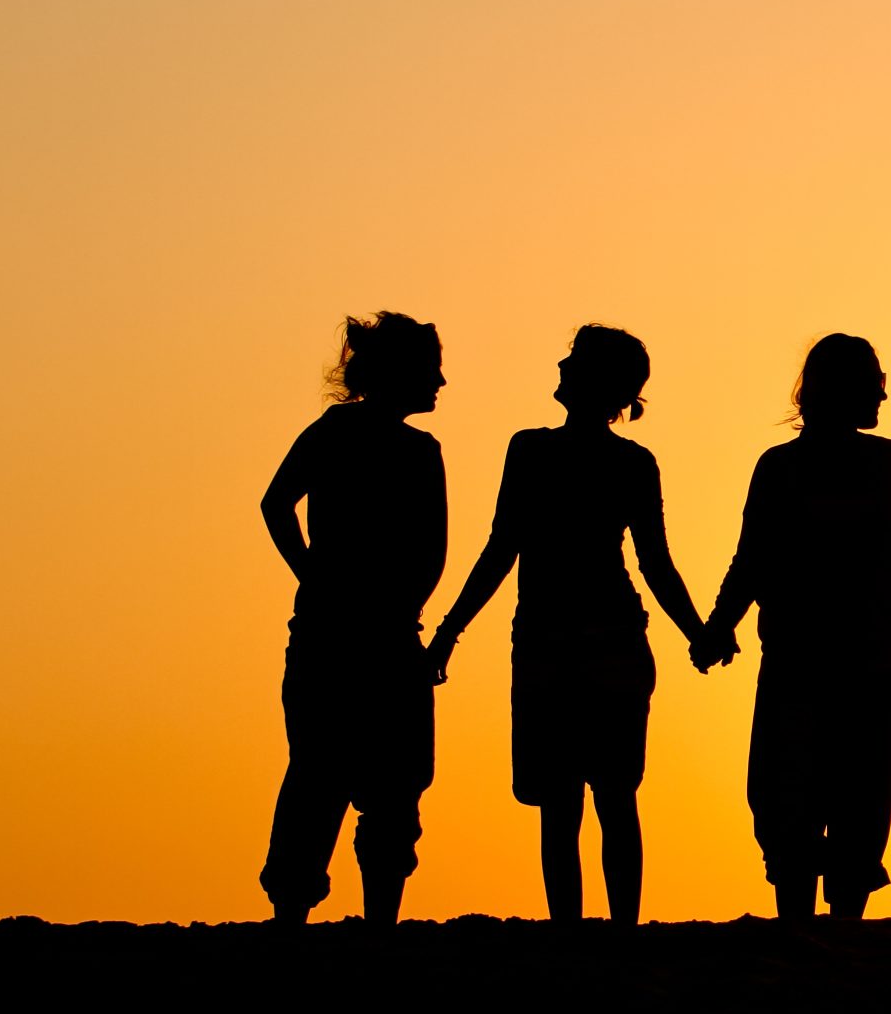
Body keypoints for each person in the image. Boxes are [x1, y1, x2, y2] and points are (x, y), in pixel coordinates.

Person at [427, 326, 710, 927]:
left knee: (579, 799)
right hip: (583, 643)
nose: (560, 364)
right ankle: (606, 933)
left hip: (565, 644)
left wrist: (450, 631)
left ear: (598, 383)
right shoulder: (613, 460)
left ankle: (582, 933)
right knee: (600, 797)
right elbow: (652, 564)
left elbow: (504, 549)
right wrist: (698, 633)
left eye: (574, 360)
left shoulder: (535, 452)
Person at [695, 335, 891, 920]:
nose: (884, 393)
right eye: (875, 381)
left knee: (825, 800)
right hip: (838, 661)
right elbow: (759, 558)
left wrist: (720, 627)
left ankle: (815, 928)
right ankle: (826, 927)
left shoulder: (828, 464)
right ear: (847, 389)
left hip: (829, 660)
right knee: (829, 800)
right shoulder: (831, 465)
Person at [257, 312, 448, 929]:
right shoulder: (388, 444)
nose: (441, 381)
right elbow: (432, 549)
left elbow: (275, 503)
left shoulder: (362, 438)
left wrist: (315, 577)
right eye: (430, 369)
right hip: (367, 634)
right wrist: (316, 576)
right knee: (363, 781)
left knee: (331, 776)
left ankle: (305, 916)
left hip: (349, 629)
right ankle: (364, 920)